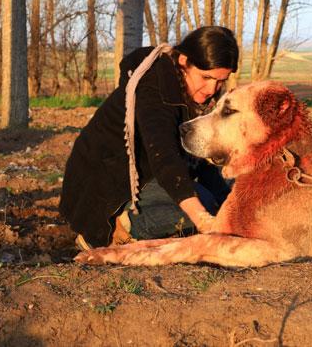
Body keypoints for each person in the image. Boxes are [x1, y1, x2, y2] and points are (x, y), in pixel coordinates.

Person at [59, 26, 239, 249]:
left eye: (221, 80)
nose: (212, 88)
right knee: (203, 206)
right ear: (184, 60)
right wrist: (204, 219)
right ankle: (116, 229)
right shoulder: (155, 86)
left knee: (219, 207)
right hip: (106, 188)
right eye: (206, 77)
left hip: (149, 178)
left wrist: (231, 207)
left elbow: (199, 159)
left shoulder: (194, 94)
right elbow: (164, 157)